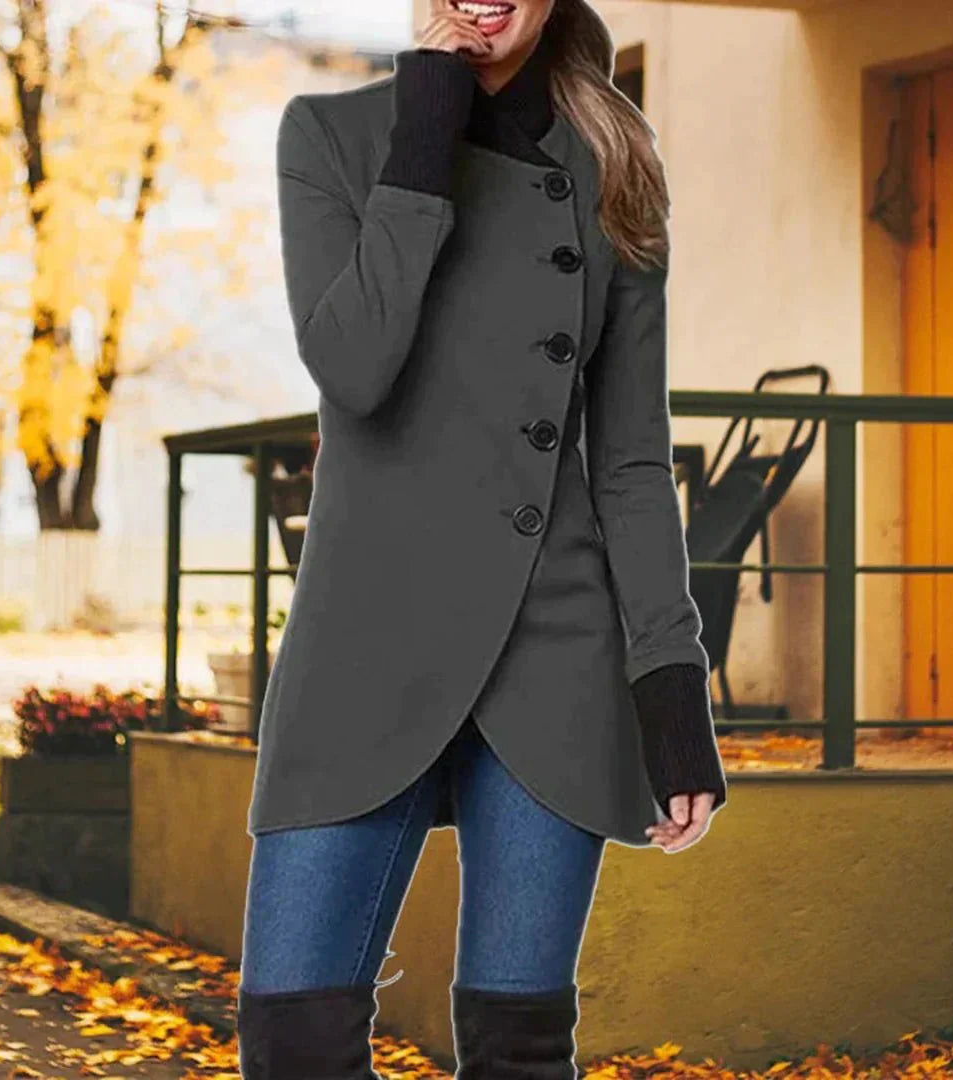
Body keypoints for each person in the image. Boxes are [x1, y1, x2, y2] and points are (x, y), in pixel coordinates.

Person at [238, 1, 729, 1076]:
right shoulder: (332, 135)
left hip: (552, 650)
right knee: (292, 1040)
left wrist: (670, 687)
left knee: (518, 1050)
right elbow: (355, 368)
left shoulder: (615, 162)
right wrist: (428, 125)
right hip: (365, 640)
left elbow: (632, 462)